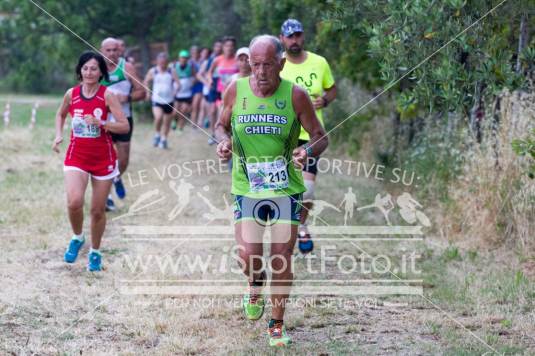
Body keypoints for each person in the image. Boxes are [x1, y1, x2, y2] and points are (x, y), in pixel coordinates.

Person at [215, 35, 328, 347]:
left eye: (267, 64)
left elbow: (320, 136)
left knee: (281, 257)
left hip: (285, 189)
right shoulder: (235, 89)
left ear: (281, 63)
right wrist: (223, 142)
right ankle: (255, 282)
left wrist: (309, 152)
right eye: (255, 64)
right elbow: (220, 125)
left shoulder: (296, 95)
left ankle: (276, 324)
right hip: (247, 187)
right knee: (248, 255)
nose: (260, 71)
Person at [52, 51, 130, 271]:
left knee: (97, 210)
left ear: (100, 72)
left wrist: (102, 123)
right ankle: (77, 237)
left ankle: (95, 251)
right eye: (85, 68)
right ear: (80, 70)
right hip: (76, 155)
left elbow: (124, 125)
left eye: (94, 68)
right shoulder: (72, 94)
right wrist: (58, 135)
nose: (89, 72)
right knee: (74, 201)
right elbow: (60, 114)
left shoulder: (107, 95)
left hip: (102, 158)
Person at [279, 19, 337, 254]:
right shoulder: (279, 64)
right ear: (282, 38)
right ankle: (284, 228)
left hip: (312, 135)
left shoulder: (319, 62)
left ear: (303, 37)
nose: (294, 40)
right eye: (290, 36)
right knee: (282, 186)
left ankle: (302, 225)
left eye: (298, 35)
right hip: (284, 134)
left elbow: (331, 89)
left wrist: (324, 100)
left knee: (308, 189)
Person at [100, 38, 145, 211]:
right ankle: (107, 196)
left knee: (123, 161)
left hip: (124, 120)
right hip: (103, 121)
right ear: (102, 51)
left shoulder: (127, 68)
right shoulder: (96, 68)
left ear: (120, 51)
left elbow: (142, 92)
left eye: (114, 50)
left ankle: (116, 177)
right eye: (108, 50)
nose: (111, 53)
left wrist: (126, 98)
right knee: (105, 159)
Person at [144, 52, 175, 149]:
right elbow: (146, 81)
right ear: (157, 62)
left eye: (164, 62)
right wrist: (148, 92)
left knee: (167, 122)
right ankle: (157, 134)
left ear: (167, 62)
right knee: (159, 117)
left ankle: (164, 140)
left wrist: (176, 90)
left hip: (169, 100)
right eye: (160, 62)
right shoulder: (153, 71)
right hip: (157, 100)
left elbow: (178, 83)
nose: (162, 64)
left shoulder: (171, 71)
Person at [197, 40, 222, 144]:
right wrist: (207, 83)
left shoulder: (227, 60)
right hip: (213, 86)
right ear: (214, 47)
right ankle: (213, 134)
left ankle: (223, 135)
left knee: (222, 112)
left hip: (224, 86)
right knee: (212, 111)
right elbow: (199, 74)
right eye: (217, 46)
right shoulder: (209, 61)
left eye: (220, 46)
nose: (219, 48)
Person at [172, 50, 196, 133]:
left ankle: (180, 128)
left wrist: (192, 82)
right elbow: (173, 76)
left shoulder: (190, 66)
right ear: (179, 58)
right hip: (178, 92)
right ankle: (174, 121)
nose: (184, 59)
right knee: (175, 111)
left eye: (186, 58)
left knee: (183, 111)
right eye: (182, 57)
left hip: (187, 93)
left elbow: (194, 75)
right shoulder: (175, 65)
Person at [189, 45, 204, 128]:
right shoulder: (189, 62)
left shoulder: (202, 61)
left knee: (201, 104)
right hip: (193, 85)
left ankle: (199, 122)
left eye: (196, 52)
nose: (195, 54)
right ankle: (193, 122)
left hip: (201, 84)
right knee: (194, 104)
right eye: (193, 52)